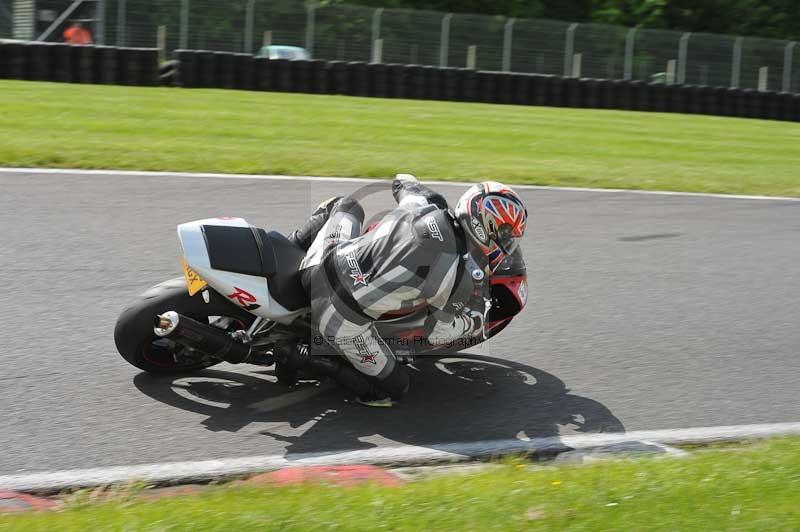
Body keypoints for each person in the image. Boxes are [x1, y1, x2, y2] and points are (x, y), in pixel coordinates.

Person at [286, 174, 528, 407]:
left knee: (345, 205)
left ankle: (288, 250)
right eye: (505, 236)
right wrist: (473, 322)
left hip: (320, 263)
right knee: (394, 389)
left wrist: (415, 186)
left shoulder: (421, 204)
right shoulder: (457, 277)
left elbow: (402, 180)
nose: (506, 244)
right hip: (335, 318)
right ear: (484, 227)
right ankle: (307, 358)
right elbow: (438, 334)